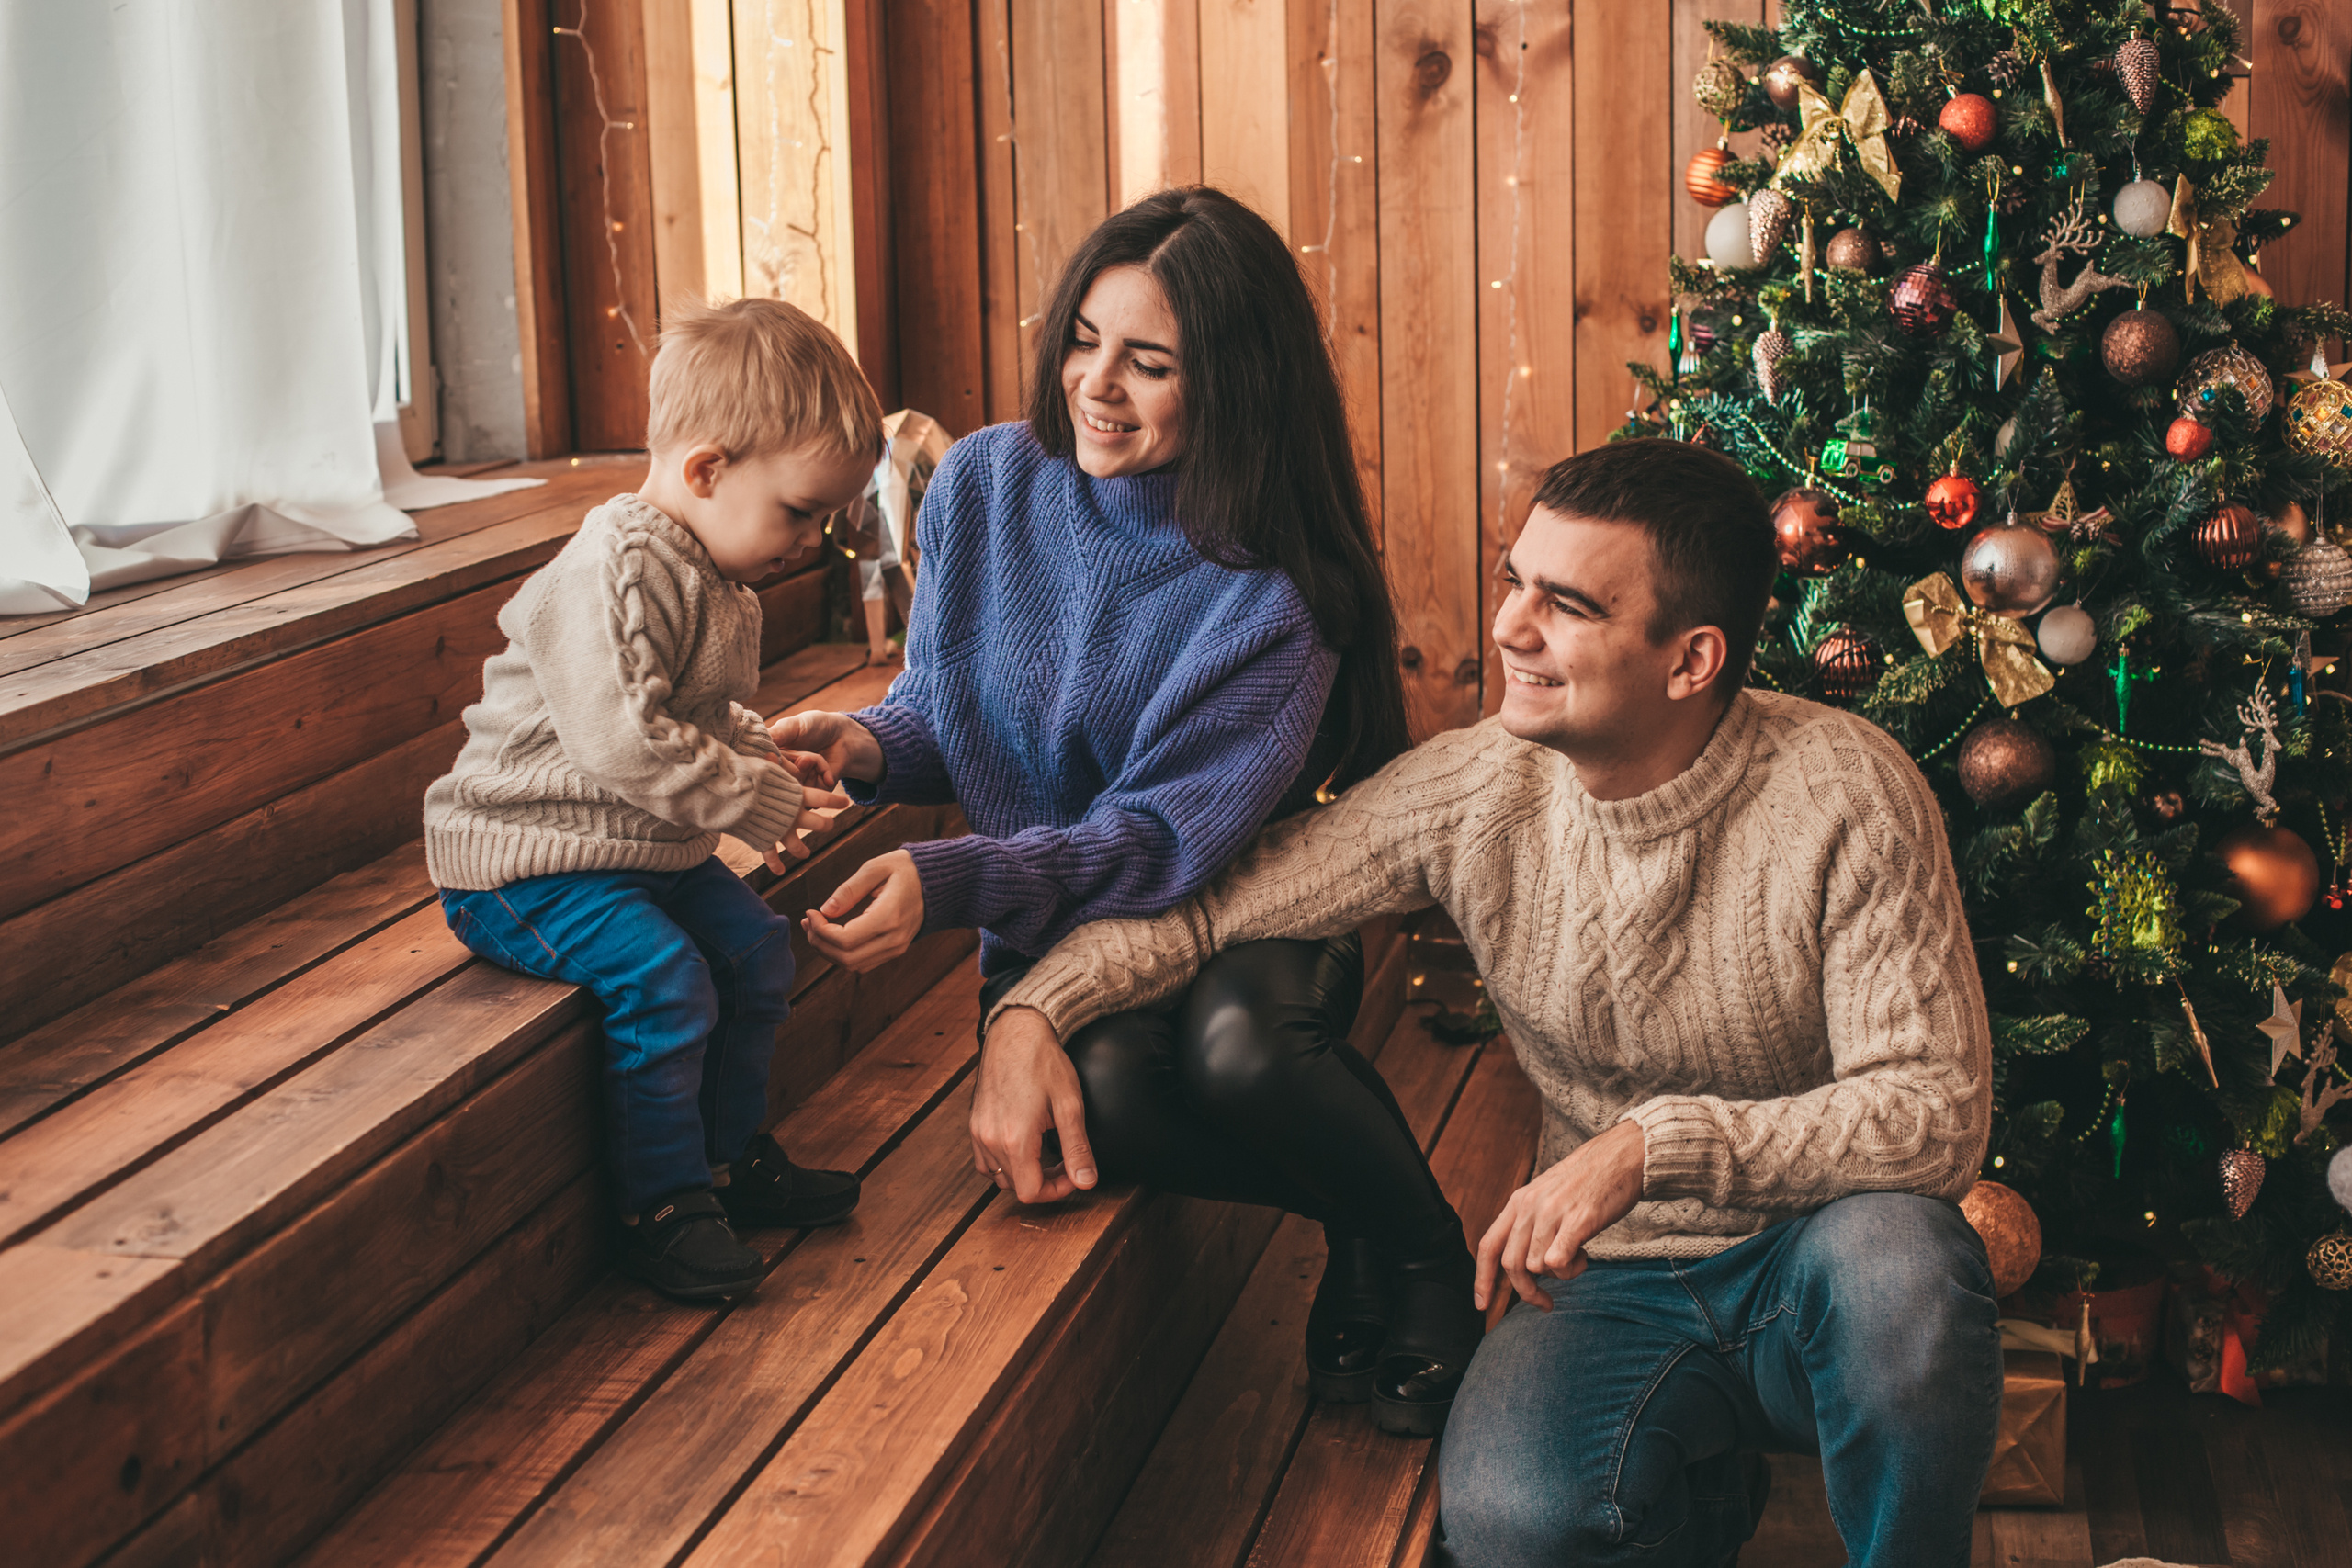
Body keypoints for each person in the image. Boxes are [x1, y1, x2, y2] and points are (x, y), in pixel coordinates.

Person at [981, 438, 2003, 1565]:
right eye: (1515, 580)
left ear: (1690, 660)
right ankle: (1703, 1491)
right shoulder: (1479, 786)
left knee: (1905, 1268)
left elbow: (1934, 1113)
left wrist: (1649, 1147)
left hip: (1815, 1257)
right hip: (1610, 1274)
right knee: (1514, 1524)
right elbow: (1219, 904)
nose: (1511, 626)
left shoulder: (1845, 790)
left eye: (1566, 605)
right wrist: (1031, 1011)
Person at [770, 186, 1486, 1435]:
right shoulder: (984, 484)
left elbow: (1158, 843)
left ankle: (1425, 1256)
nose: (1095, 385)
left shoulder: (1276, 590)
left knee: (1241, 1051)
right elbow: (955, 711)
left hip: (1240, 904)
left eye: (1148, 363)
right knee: (1096, 1101)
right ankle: (1363, 1218)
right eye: (1083, 339)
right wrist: (869, 744)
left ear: (1235, 384)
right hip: (1059, 916)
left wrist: (947, 880)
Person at [424, 298, 878, 1303]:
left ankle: (726, 1157)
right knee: (666, 979)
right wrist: (751, 802)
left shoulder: (717, 571)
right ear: (708, 470)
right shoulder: (615, 567)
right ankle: (663, 1205)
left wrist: (763, 756)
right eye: (800, 511)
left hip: (636, 849)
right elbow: (624, 737)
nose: (812, 539)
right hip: (526, 861)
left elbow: (701, 712)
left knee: (756, 949)